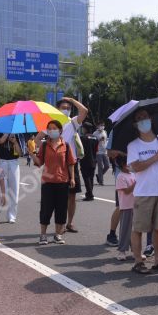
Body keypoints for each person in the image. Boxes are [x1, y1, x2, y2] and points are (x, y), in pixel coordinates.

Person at [127, 108, 158, 274]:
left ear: (151, 118)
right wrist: (156, 157)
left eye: (145, 117)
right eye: (139, 118)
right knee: (138, 228)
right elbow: (136, 167)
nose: (143, 120)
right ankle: (138, 261)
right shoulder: (133, 145)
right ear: (135, 124)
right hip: (143, 191)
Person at [31, 120, 76, 245]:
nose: (52, 130)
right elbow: (39, 163)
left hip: (63, 181)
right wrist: (31, 153)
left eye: (54, 128)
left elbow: (71, 163)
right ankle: (43, 235)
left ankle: (58, 234)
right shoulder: (45, 146)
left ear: (60, 130)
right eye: (49, 128)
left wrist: (72, 178)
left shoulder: (66, 145)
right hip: (48, 182)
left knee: (61, 208)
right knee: (46, 208)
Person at [56, 97, 89, 232]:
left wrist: (71, 99)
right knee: (60, 196)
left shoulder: (73, 122)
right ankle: (61, 223)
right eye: (63, 108)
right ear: (57, 109)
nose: (66, 110)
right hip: (58, 164)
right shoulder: (53, 124)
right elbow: (39, 138)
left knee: (72, 196)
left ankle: (69, 223)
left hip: (72, 163)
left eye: (68, 108)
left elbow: (84, 110)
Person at [0, 132, 22, 224]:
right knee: (1, 190)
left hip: (14, 163)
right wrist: (6, 134)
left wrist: (15, 142)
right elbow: (0, 141)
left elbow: (20, 153)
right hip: (2, 163)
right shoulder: (0, 133)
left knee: (14, 190)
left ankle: (11, 216)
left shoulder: (17, 134)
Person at [115, 155, 136, 261]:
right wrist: (136, 183)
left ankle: (135, 251)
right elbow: (127, 191)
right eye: (127, 163)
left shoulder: (133, 174)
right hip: (126, 206)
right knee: (125, 229)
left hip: (136, 205)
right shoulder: (121, 176)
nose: (129, 165)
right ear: (122, 165)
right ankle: (121, 251)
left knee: (135, 230)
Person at [79, 123, 98, 201]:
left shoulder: (83, 138)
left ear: (85, 129)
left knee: (86, 178)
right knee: (91, 177)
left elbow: (80, 149)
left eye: (83, 128)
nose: (82, 129)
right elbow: (96, 149)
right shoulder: (95, 138)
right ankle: (89, 193)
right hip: (93, 159)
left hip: (85, 160)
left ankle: (90, 194)